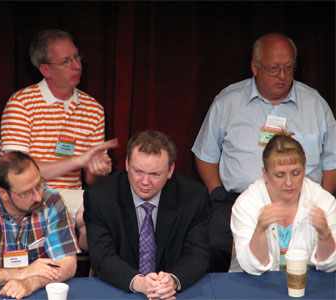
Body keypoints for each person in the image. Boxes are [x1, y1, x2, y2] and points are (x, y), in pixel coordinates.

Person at [192, 33, 336, 271]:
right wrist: (216, 192)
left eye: (289, 68)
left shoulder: (315, 104)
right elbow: (205, 154)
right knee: (213, 249)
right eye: (273, 69)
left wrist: (322, 201)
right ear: (255, 67)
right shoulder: (228, 102)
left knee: (321, 260)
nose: (282, 76)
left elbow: (331, 159)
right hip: (234, 200)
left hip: (302, 200)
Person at [0, 29, 118, 250]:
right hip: (27, 195)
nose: (76, 65)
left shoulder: (93, 109)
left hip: (73, 200)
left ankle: (90, 264)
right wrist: (79, 161)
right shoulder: (22, 104)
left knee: (106, 206)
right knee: (101, 207)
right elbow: (17, 172)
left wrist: (97, 169)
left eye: (76, 57)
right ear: (45, 69)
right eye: (66, 61)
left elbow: (91, 180)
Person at [84, 130, 210, 299]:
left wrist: (172, 281)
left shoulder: (194, 197)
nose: (144, 182)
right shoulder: (100, 197)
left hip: (170, 293)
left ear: (170, 170)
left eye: (155, 174)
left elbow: (198, 254)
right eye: (138, 171)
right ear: (127, 164)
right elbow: (102, 256)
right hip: (121, 289)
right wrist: (139, 283)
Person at [0, 151, 80, 299]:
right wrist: (23, 272)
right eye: (26, 193)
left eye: (39, 184)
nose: (38, 196)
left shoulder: (51, 201)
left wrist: (30, 283)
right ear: (4, 194)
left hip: (38, 290)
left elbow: (67, 263)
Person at [230, 132, 335, 274]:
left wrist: (324, 234)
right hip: (253, 285)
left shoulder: (323, 201)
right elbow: (252, 268)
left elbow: (330, 267)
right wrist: (260, 229)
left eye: (295, 173)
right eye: (280, 175)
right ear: (265, 174)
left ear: (304, 171)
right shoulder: (246, 204)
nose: (289, 182)